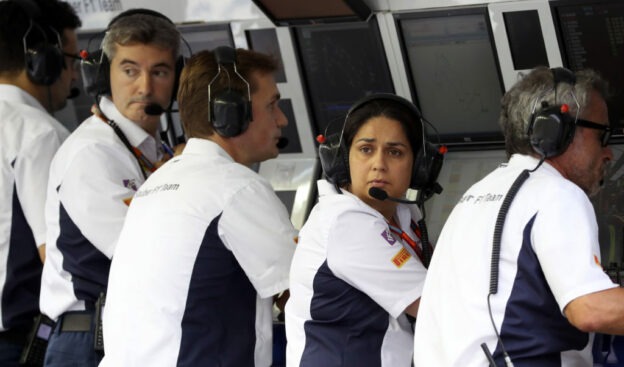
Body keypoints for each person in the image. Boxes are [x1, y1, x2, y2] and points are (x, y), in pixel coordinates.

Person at [99, 47, 297, 366]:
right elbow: (308, 297)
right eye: (272, 105)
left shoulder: (155, 185)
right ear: (230, 114)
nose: (282, 119)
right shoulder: (237, 187)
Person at [413, 66, 622, 366]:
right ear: (557, 131)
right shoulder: (557, 193)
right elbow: (590, 309)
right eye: (602, 134)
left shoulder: (474, 196)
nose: (609, 153)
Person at [39, 9, 180, 366]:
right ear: (103, 75)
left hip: (126, 333)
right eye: (130, 70)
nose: (145, 86)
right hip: (88, 340)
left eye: (159, 72)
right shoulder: (93, 153)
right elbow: (143, 256)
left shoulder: (154, 149)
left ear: (177, 79)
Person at [286, 94, 432, 367]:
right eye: (366, 149)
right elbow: (432, 306)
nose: (379, 164)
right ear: (343, 159)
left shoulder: (403, 215)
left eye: (395, 152)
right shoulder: (345, 221)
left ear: (420, 166)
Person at [0, 0, 80, 365]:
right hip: (15, 337)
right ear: (43, 60)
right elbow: (56, 251)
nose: (75, 74)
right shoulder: (38, 134)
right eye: (71, 58)